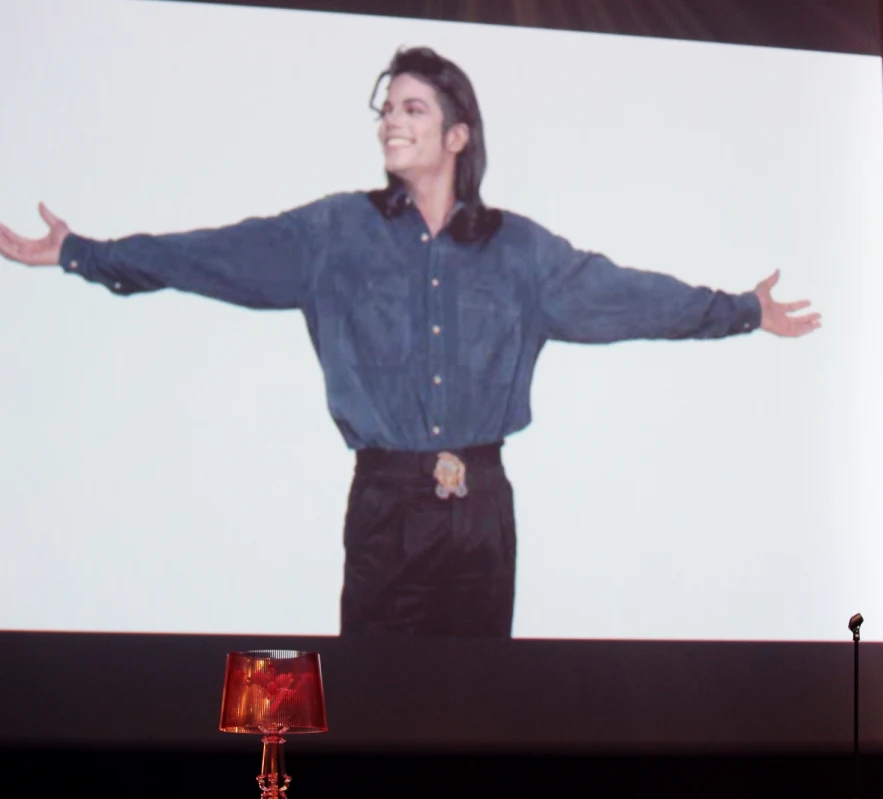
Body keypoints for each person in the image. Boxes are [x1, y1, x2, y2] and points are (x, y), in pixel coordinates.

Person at [0, 46, 821, 638]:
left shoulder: (520, 251)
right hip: (388, 509)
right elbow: (211, 253)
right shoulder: (335, 233)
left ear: (459, 135)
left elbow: (628, 296)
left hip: (484, 512)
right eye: (385, 109)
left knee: (476, 725)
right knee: (376, 721)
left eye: (412, 107)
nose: (391, 121)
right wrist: (84, 253)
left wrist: (740, 309)